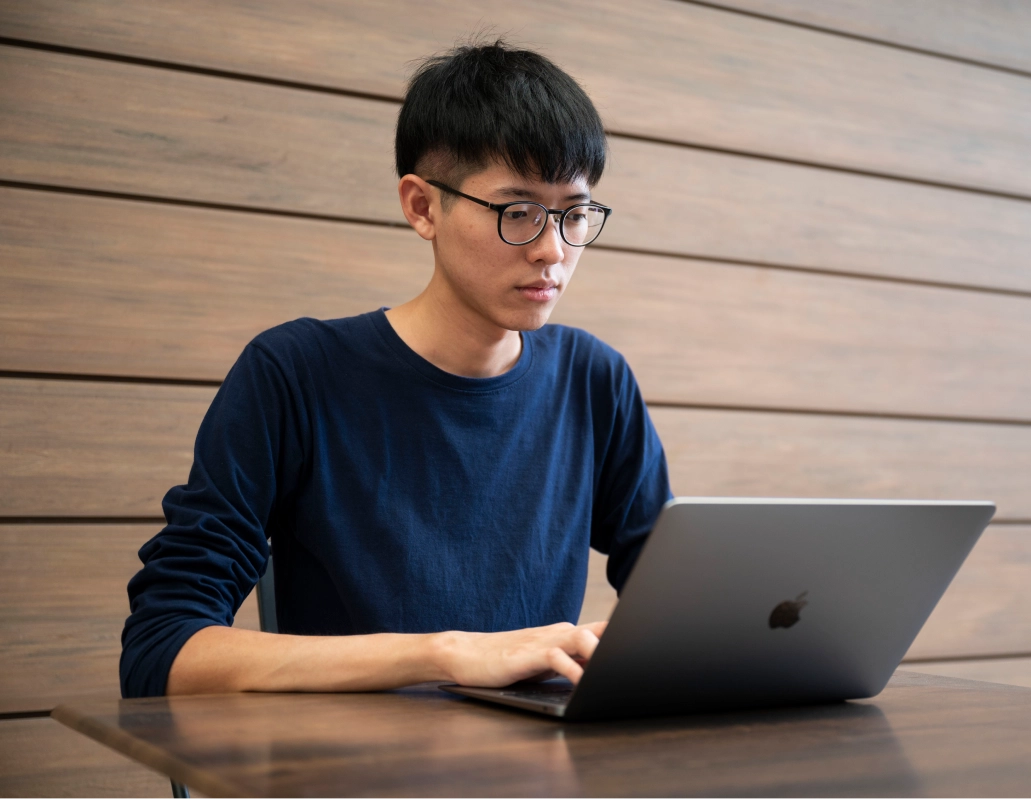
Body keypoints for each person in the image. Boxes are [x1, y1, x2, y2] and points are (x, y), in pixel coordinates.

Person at [119, 39, 673, 698]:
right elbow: (162, 649)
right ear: (421, 206)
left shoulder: (593, 380)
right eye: (518, 213)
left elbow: (680, 603)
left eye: (574, 214)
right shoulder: (295, 375)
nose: (552, 250)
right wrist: (444, 653)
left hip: (540, 772)